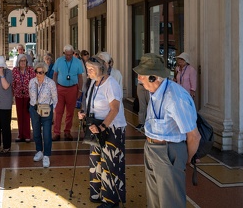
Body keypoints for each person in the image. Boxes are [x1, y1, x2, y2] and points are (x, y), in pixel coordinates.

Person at [133, 53, 201, 208]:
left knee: (170, 202)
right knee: (155, 200)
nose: (138, 79)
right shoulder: (155, 93)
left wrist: (186, 159)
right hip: (151, 148)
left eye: (141, 76)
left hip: (169, 151)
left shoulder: (175, 97)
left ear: (153, 77)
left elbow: (194, 136)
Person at [78, 56, 126, 208]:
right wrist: (84, 113)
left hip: (111, 128)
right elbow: (91, 103)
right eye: (87, 69)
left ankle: (111, 201)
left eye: (91, 70)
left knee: (110, 164)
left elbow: (115, 109)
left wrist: (102, 127)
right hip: (96, 128)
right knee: (96, 161)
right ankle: (97, 193)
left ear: (101, 69)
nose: (88, 73)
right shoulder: (94, 82)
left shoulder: (111, 84)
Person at [52, 44, 84, 141]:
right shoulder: (59, 61)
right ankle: (56, 132)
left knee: (70, 112)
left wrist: (80, 90)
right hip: (60, 89)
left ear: (73, 53)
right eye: (67, 55)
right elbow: (55, 75)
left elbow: (80, 77)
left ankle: (67, 131)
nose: (69, 56)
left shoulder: (78, 62)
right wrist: (54, 88)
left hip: (72, 89)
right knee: (58, 111)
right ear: (64, 53)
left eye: (70, 54)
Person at [29, 62, 58, 168]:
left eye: (41, 72)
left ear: (45, 72)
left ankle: (46, 155)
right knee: (36, 131)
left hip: (46, 109)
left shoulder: (50, 83)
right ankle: (39, 151)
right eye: (36, 72)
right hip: (34, 108)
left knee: (46, 133)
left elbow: (55, 98)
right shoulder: (32, 82)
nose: (38, 74)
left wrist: (53, 110)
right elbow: (30, 95)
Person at [12, 54, 36, 142]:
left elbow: (34, 83)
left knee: (26, 115)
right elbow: (12, 83)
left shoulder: (30, 70)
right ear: (18, 62)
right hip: (18, 95)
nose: (23, 63)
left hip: (28, 96)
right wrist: (12, 95)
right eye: (21, 61)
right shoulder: (15, 70)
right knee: (19, 115)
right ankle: (20, 134)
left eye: (24, 61)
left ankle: (27, 135)